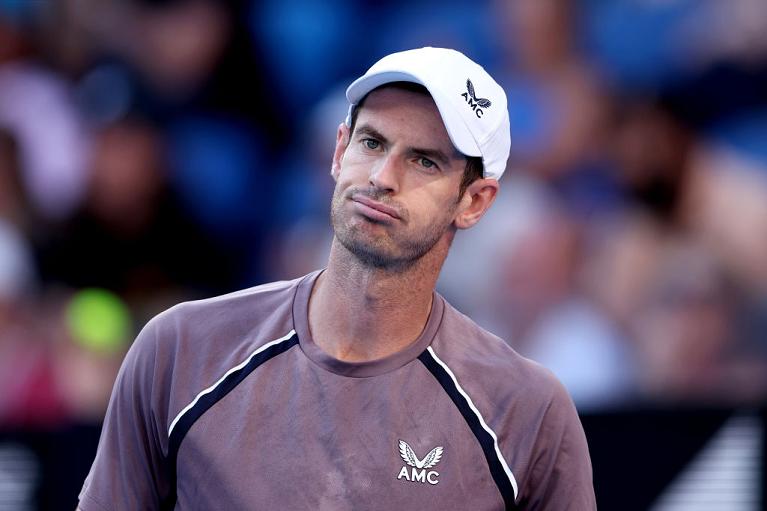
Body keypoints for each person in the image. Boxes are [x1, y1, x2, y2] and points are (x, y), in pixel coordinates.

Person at [77, 47, 596, 511]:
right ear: (338, 150)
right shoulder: (180, 350)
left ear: (474, 201)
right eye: (372, 143)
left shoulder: (527, 409)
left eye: (423, 161)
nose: (382, 178)